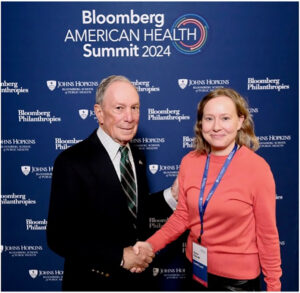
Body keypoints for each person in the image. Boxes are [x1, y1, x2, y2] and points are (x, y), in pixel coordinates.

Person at [133, 88, 282, 291]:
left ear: (240, 121)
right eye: (209, 118)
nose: (216, 127)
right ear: (201, 123)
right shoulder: (190, 162)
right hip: (196, 270)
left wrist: (274, 286)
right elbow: (183, 216)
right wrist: (150, 245)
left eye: (225, 118)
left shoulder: (257, 169)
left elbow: (267, 235)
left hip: (237, 282)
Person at [46, 75, 178, 291]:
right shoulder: (71, 161)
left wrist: (173, 195)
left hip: (139, 283)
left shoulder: (135, 154)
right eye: (119, 108)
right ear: (99, 113)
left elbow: (134, 211)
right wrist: (119, 256)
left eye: (135, 108)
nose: (129, 117)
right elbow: (59, 237)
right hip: (93, 283)